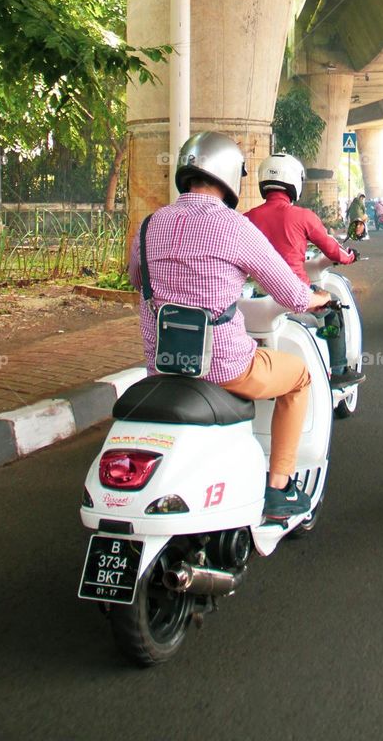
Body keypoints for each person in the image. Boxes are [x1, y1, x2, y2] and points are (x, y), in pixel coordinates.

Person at [128, 131, 331, 523]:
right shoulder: (235, 227)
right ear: (228, 176)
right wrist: (317, 299)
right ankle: (278, 488)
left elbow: (138, 278)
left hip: (162, 366)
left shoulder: (150, 225)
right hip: (225, 367)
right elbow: (291, 295)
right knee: (300, 376)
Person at [245, 152, 363, 387]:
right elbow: (332, 250)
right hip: (296, 292)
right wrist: (348, 257)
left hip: (257, 296)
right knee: (333, 308)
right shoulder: (303, 216)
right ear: (294, 182)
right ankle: (337, 370)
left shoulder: (247, 218)